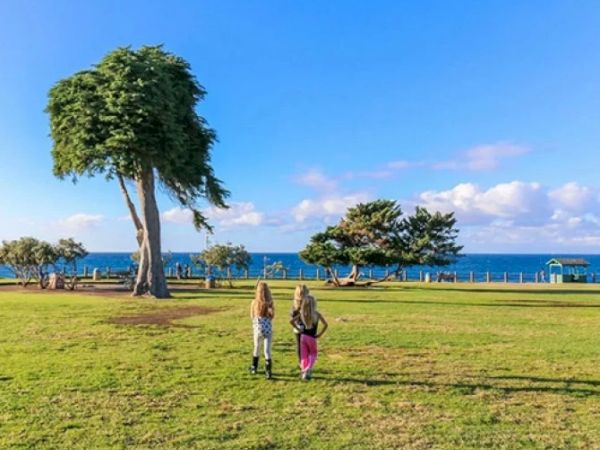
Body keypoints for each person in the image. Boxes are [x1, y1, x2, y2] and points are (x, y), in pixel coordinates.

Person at [291, 293, 328, 380]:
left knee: (304, 356)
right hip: (312, 337)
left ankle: (304, 372)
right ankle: (308, 368)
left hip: (303, 337)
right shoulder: (317, 314)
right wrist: (320, 334)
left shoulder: (301, 314)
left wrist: (298, 329)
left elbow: (291, 321)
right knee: (313, 354)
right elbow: (325, 325)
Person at [250, 281, 275, 379]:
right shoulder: (270, 303)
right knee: (267, 351)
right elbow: (272, 316)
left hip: (258, 329)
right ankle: (268, 371)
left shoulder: (254, 302)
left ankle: (254, 367)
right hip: (268, 329)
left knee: (256, 348)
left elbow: (252, 316)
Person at [291, 284, 309, 366]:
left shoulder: (295, 304)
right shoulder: (308, 303)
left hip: (297, 327)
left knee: (299, 345)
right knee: (307, 345)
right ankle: (306, 361)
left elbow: (292, 315)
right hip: (306, 326)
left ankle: (301, 362)